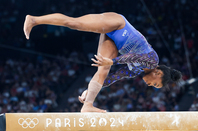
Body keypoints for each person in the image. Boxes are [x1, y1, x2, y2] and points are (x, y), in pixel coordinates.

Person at [23, 12, 182, 113]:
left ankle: (88, 105)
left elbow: (112, 78)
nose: (150, 85)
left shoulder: (135, 72)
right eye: (155, 84)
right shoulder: (153, 60)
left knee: (102, 71)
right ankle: (34, 20)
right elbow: (134, 57)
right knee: (75, 23)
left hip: (114, 41)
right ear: (158, 73)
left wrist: (88, 91)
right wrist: (113, 61)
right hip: (119, 25)